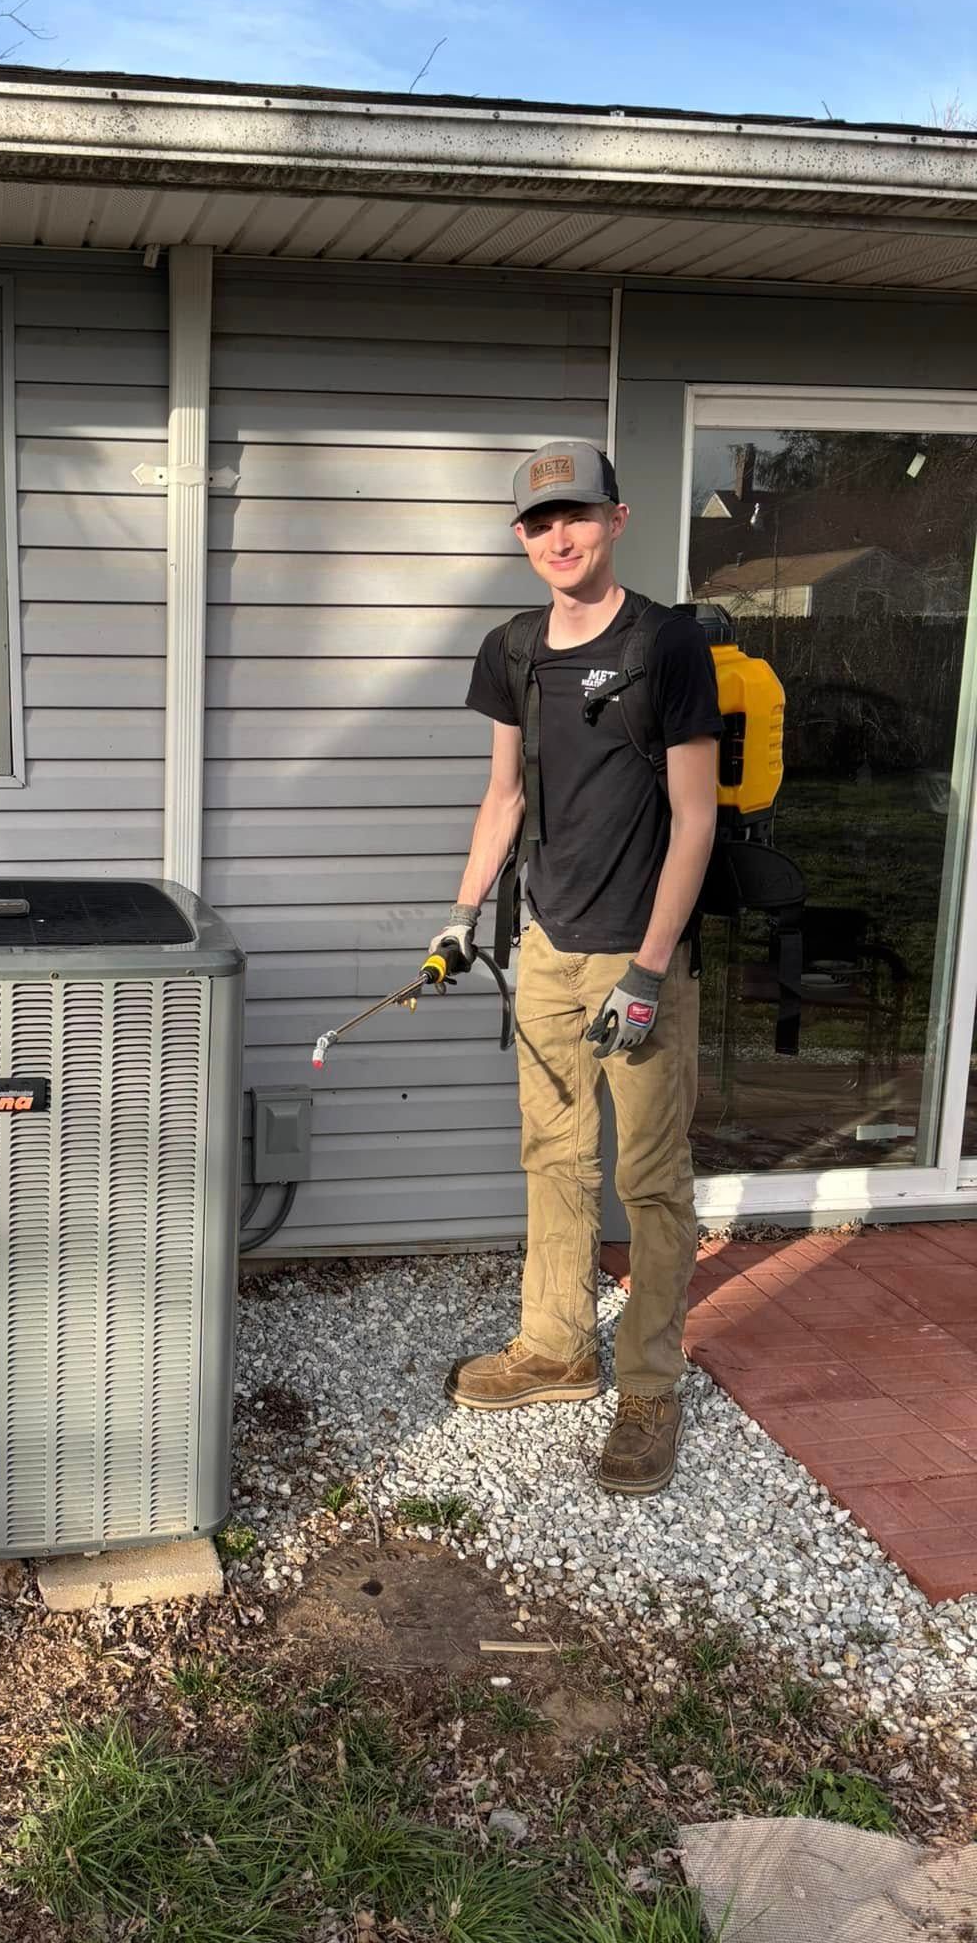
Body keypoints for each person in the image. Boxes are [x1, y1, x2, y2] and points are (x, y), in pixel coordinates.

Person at [430, 440, 721, 1497]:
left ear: (616, 518)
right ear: (521, 537)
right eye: (540, 521)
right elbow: (504, 795)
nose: (560, 536)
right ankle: (557, 1348)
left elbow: (696, 818)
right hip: (547, 950)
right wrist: (463, 914)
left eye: (578, 516)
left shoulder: (667, 643)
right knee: (553, 1158)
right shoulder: (512, 648)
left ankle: (649, 1380)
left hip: (639, 957)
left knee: (648, 1178)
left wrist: (648, 970)